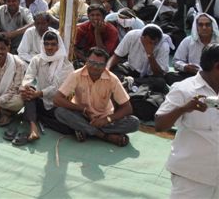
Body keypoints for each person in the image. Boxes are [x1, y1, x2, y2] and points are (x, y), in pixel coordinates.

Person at [155, 44, 219, 199]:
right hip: (192, 177)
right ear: (217, 66)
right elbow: (159, 124)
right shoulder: (184, 89)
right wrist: (184, 108)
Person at [53, 47, 140, 146]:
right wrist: (82, 109)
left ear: (105, 66)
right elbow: (57, 99)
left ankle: (85, 130)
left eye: (100, 65)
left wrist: (107, 120)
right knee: (60, 112)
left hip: (105, 118)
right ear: (86, 61)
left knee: (134, 122)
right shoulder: (76, 75)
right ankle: (104, 136)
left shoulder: (112, 79)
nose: (95, 67)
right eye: (92, 62)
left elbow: (127, 108)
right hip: (81, 116)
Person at [10, 31, 75, 145]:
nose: (49, 47)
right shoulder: (37, 59)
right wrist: (26, 87)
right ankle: (33, 128)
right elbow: (29, 76)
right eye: (47, 44)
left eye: (53, 44)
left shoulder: (67, 65)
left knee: (68, 128)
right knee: (28, 95)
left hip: (57, 104)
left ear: (58, 46)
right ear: (43, 45)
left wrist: (39, 93)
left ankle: (37, 117)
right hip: (39, 99)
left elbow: (57, 88)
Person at [168, 12, 219, 84]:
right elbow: (176, 61)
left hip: (215, 76)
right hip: (193, 76)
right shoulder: (188, 41)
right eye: (200, 25)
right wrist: (185, 67)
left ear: (212, 27)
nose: (204, 28)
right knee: (170, 76)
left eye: (207, 25)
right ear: (196, 27)